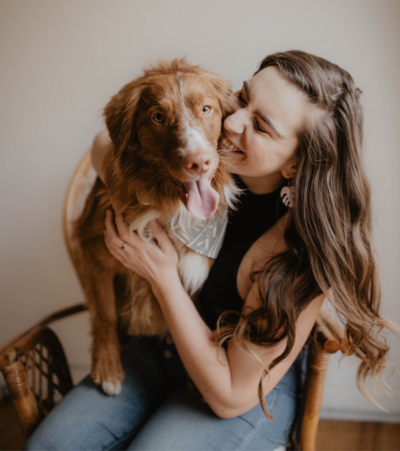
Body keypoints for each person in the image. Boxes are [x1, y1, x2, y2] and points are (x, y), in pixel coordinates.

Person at [24, 50, 392, 451]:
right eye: (243, 96)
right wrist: (123, 189)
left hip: (240, 386)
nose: (231, 122)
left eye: (261, 125)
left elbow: (230, 395)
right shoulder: (203, 165)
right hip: (161, 348)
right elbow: (104, 143)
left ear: (296, 163)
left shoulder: (302, 250)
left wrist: (163, 278)